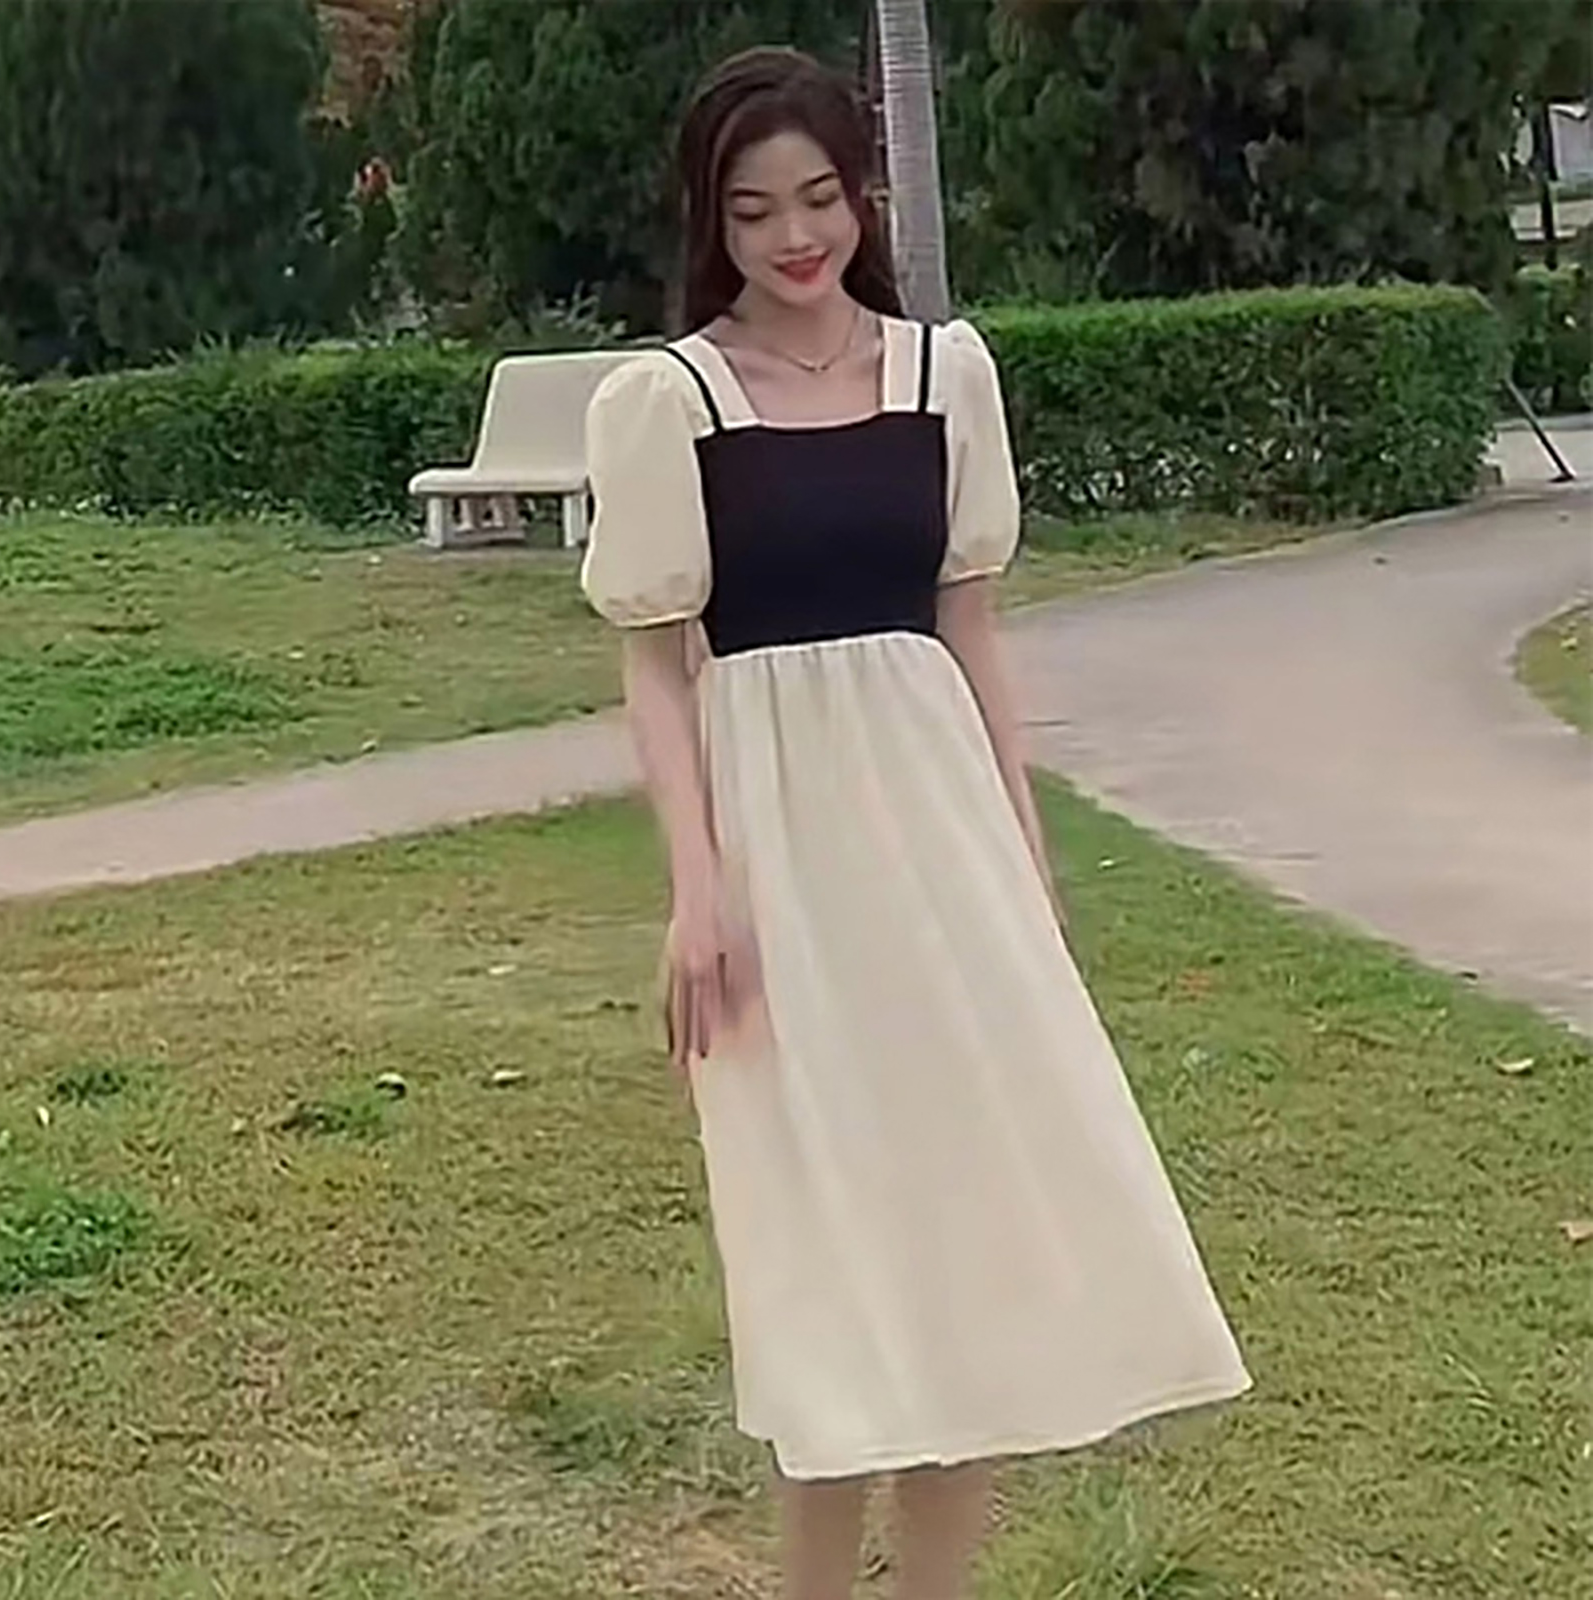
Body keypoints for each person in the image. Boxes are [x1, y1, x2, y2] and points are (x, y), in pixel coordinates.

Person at [580, 46, 1250, 1600]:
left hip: (943, 849)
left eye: (819, 198)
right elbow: (656, 667)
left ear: (862, 196)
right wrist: (698, 890)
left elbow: (973, 631)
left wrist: (1025, 853)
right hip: (777, 870)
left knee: (969, 1253)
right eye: (754, 211)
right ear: (712, 223)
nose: (795, 237)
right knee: (822, 1272)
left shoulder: (950, 376)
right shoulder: (668, 400)